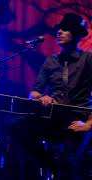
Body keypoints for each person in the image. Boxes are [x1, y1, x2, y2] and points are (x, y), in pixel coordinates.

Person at [27, 13, 92, 179]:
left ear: (77, 35)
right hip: (53, 117)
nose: (60, 32)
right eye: (59, 29)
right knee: (16, 128)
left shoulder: (88, 59)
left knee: (68, 162)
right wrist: (41, 97)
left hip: (77, 119)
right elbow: (33, 92)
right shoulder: (51, 60)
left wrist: (89, 124)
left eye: (66, 29)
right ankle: (52, 167)